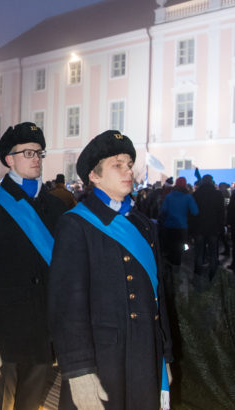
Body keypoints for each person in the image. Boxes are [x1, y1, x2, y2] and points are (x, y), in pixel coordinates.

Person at [48, 130, 173, 410]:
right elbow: (67, 306)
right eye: (117, 165)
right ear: (94, 176)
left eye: (128, 164)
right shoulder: (76, 225)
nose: (128, 170)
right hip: (104, 361)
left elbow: (158, 296)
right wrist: (79, 370)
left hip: (144, 356)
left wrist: (165, 358)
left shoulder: (144, 225)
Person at [0, 122, 66, 410]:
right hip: (3, 333)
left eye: (39, 153)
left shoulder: (56, 208)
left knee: (30, 404)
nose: (36, 159)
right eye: (28, 153)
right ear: (9, 159)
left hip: (43, 330)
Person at [191, 174, 225, 280]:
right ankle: (213, 276)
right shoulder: (218, 194)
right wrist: (221, 227)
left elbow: (192, 213)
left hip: (199, 228)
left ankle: (197, 275)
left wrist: (192, 229)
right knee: (213, 253)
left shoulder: (196, 194)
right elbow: (221, 212)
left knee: (199, 253)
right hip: (214, 228)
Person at [159, 176, 199, 266]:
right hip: (182, 226)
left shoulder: (169, 197)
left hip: (168, 226)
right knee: (179, 249)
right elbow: (195, 212)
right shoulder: (188, 197)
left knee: (169, 249)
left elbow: (163, 210)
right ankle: (177, 269)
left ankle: (169, 271)